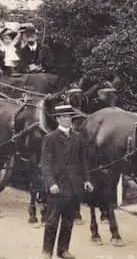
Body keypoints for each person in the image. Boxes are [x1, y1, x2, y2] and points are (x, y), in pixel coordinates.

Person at [40, 107, 93, 259]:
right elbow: (45, 163)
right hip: (57, 186)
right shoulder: (51, 138)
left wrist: (87, 180)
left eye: (70, 117)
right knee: (52, 221)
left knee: (68, 221)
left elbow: (83, 162)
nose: (68, 120)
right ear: (58, 119)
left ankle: (63, 250)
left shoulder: (77, 138)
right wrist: (51, 183)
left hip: (74, 186)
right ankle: (47, 251)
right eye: (64, 117)